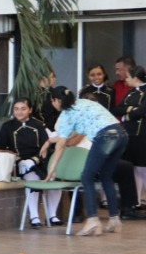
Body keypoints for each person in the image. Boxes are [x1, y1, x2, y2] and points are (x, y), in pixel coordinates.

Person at [46, 85, 129, 236]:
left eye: (52, 101)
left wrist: (52, 168)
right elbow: (74, 134)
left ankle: (92, 220)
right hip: (121, 134)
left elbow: (61, 145)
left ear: (57, 100)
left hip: (105, 137)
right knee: (106, 176)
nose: (53, 104)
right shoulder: (85, 103)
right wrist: (50, 141)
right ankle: (114, 219)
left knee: (87, 177)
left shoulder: (66, 115)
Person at [0, 97, 61, 228]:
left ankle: (52, 215)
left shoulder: (39, 125)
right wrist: (19, 160)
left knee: (54, 179)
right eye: (16, 109)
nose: (19, 112)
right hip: (18, 165)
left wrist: (33, 160)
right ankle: (34, 216)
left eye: (23, 109)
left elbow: (45, 147)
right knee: (32, 179)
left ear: (30, 110)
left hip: (39, 161)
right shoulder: (7, 127)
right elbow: (0, 149)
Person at [113, 65, 146, 206]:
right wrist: (131, 109)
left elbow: (142, 111)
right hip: (129, 134)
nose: (126, 80)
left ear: (135, 78)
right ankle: (134, 202)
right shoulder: (131, 92)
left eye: (128, 77)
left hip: (142, 134)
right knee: (131, 168)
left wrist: (127, 116)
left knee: (142, 168)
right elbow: (117, 109)